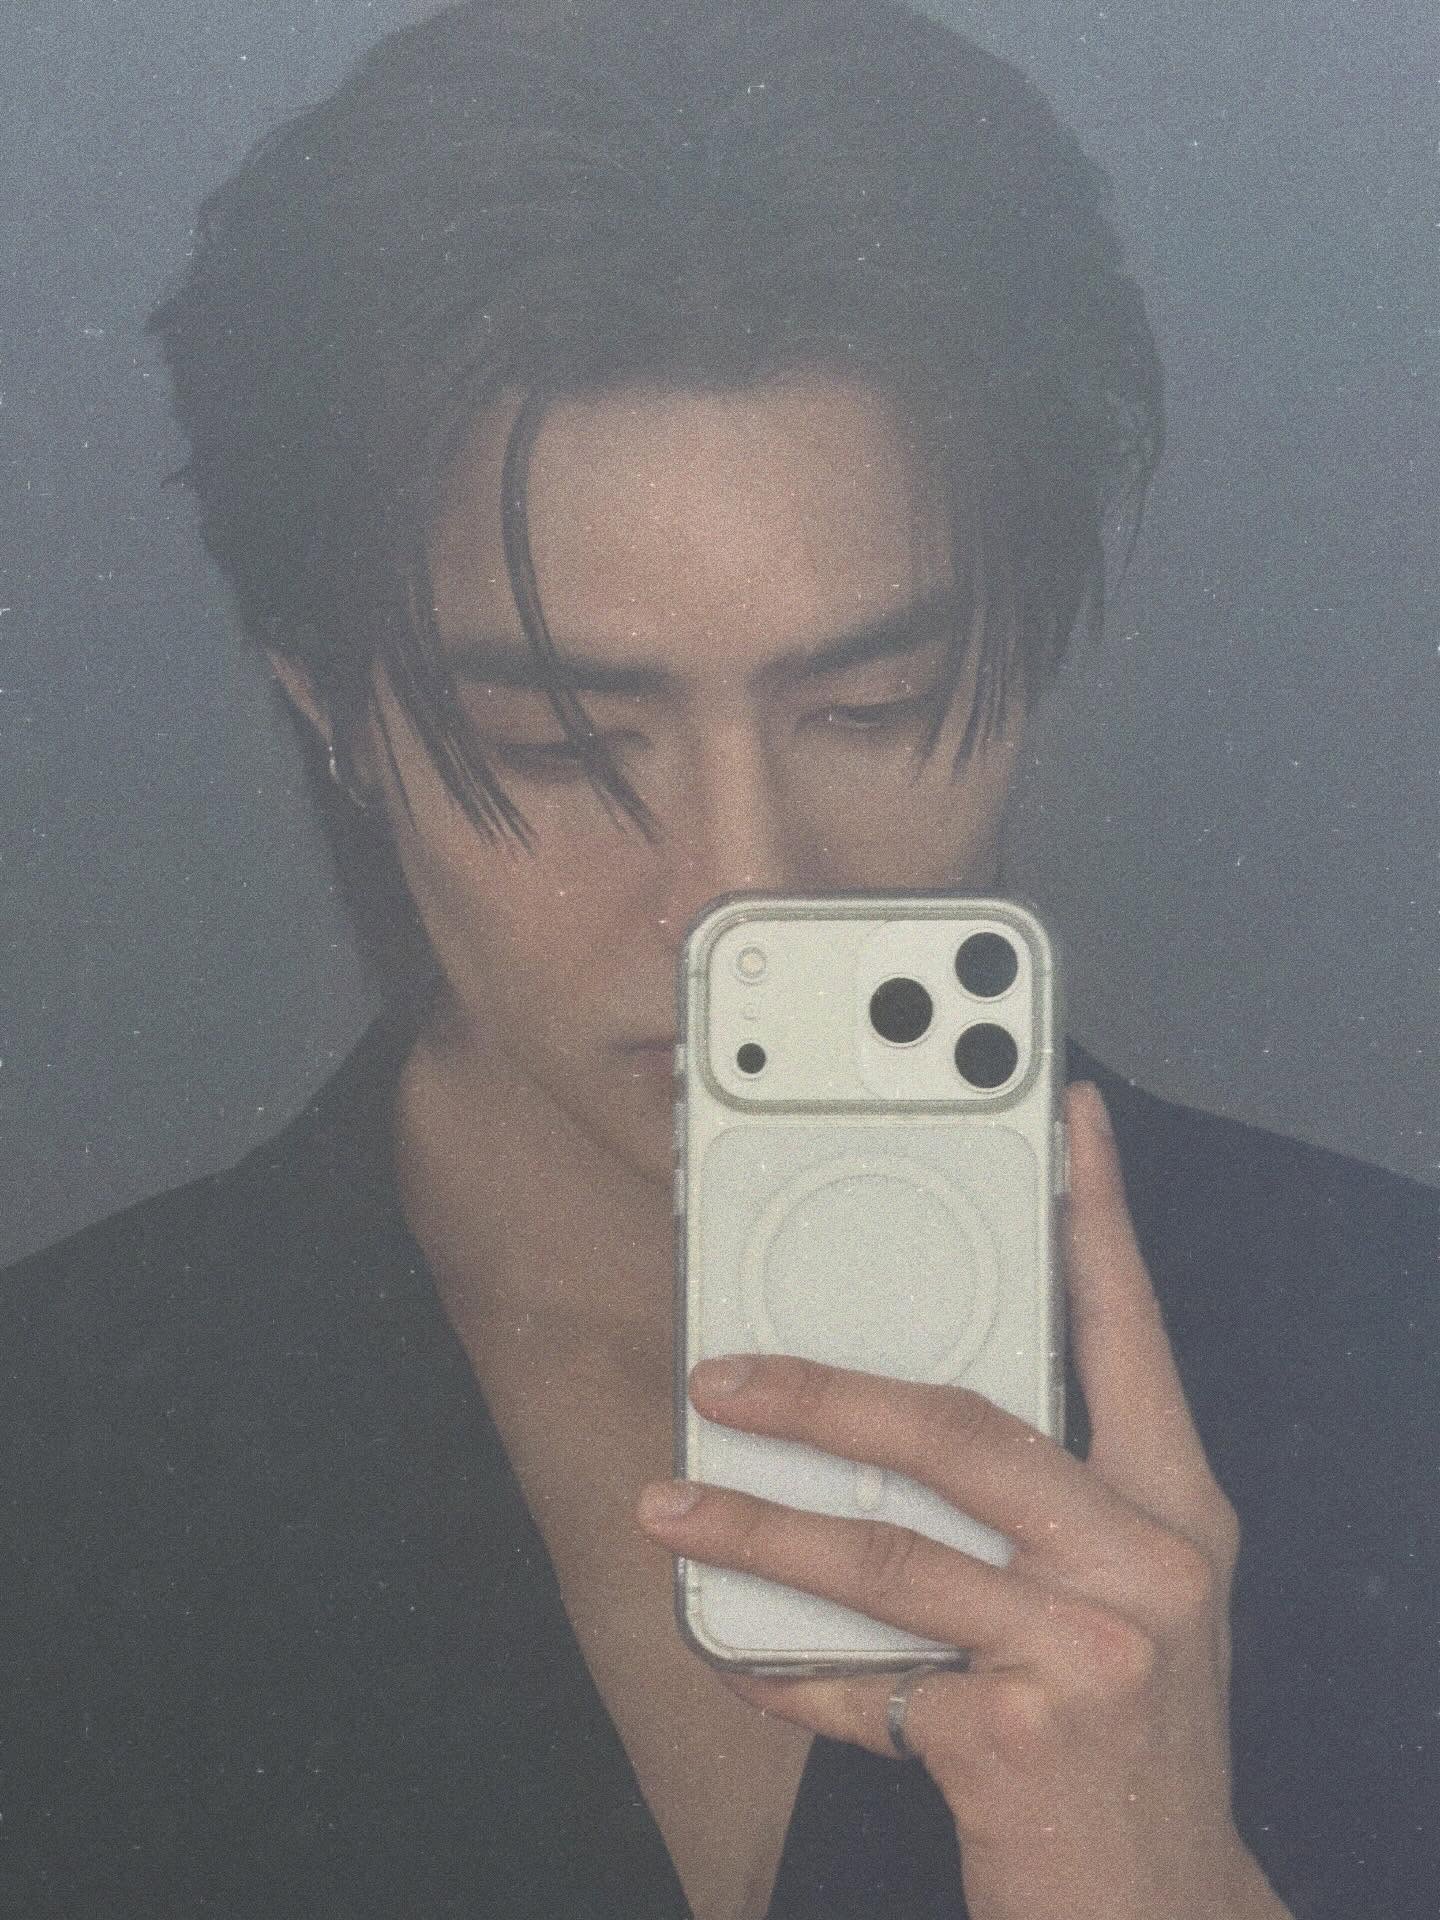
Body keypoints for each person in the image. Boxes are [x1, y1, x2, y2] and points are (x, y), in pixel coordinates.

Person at [2, 2, 1433, 1916]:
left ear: (1029, 663)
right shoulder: (51, 1462)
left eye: (870, 706)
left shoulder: (1401, 1357)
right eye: (557, 743)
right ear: (333, 715)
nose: (740, 895)